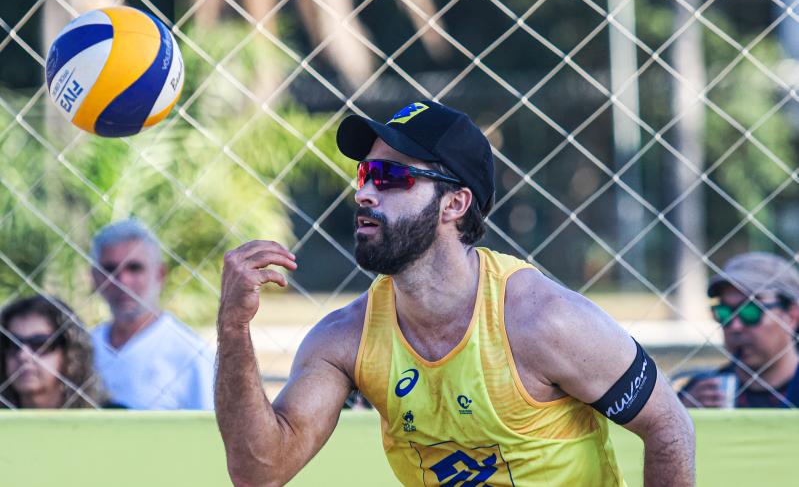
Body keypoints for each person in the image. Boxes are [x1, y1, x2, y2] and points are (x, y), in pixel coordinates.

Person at [215, 101, 695, 486]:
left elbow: (669, 428)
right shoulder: (345, 339)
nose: (364, 194)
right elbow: (260, 472)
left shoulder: (543, 320)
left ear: (454, 203)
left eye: (391, 177)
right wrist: (234, 327)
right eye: (365, 176)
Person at [90, 219, 215, 410]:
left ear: (160, 274)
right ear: (95, 277)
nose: (122, 280)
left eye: (135, 268)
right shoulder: (84, 349)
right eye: (110, 269)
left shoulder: (192, 356)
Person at [679, 252, 799, 408]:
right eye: (725, 313)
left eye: (750, 312)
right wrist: (681, 415)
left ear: (792, 315)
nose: (735, 326)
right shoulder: (701, 394)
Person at [0, 295, 107, 408]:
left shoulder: (111, 416)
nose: (23, 355)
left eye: (39, 344)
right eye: (12, 344)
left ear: (69, 352)